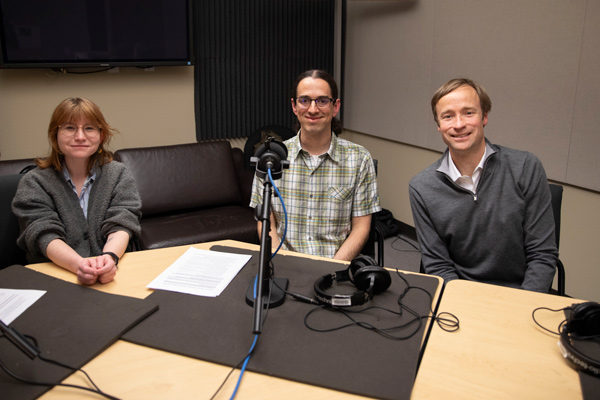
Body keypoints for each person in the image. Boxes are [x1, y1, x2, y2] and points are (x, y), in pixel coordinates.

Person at [409, 78, 558, 292]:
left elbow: (542, 254)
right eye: (448, 116)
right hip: (462, 297)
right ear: (439, 126)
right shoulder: (422, 187)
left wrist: (524, 307)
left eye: (468, 113)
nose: (459, 124)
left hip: (522, 294)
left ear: (484, 116)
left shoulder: (525, 167)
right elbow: (438, 265)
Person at [250, 69, 381, 261]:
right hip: (284, 264)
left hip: (336, 266)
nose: (312, 109)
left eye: (322, 100)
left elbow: (361, 228)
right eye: (305, 100)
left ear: (335, 106)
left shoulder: (359, 159)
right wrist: (282, 263)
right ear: (294, 106)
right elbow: (266, 223)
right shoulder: (270, 158)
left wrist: (330, 270)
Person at [12, 97, 142, 285]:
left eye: (89, 128)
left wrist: (109, 258)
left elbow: (123, 222)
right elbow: (43, 233)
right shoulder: (34, 182)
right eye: (70, 128)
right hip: (55, 277)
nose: (80, 136)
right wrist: (79, 265)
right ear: (55, 136)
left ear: (101, 136)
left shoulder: (118, 173)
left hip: (111, 273)